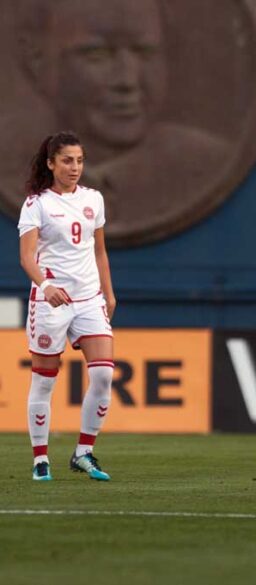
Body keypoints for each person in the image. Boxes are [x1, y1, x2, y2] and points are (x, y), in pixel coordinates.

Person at [7, 0, 228, 240]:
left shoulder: (200, 163)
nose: (127, 80)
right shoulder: (8, 157)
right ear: (36, 60)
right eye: (97, 54)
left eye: (145, 52)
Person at [18, 131, 115, 482]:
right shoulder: (37, 204)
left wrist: (109, 292)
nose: (75, 167)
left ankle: (84, 453)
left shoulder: (94, 199)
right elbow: (27, 257)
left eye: (79, 160)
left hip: (89, 298)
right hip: (50, 302)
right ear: (50, 163)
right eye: (67, 160)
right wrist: (46, 285)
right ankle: (40, 458)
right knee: (44, 382)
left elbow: (99, 250)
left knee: (103, 374)